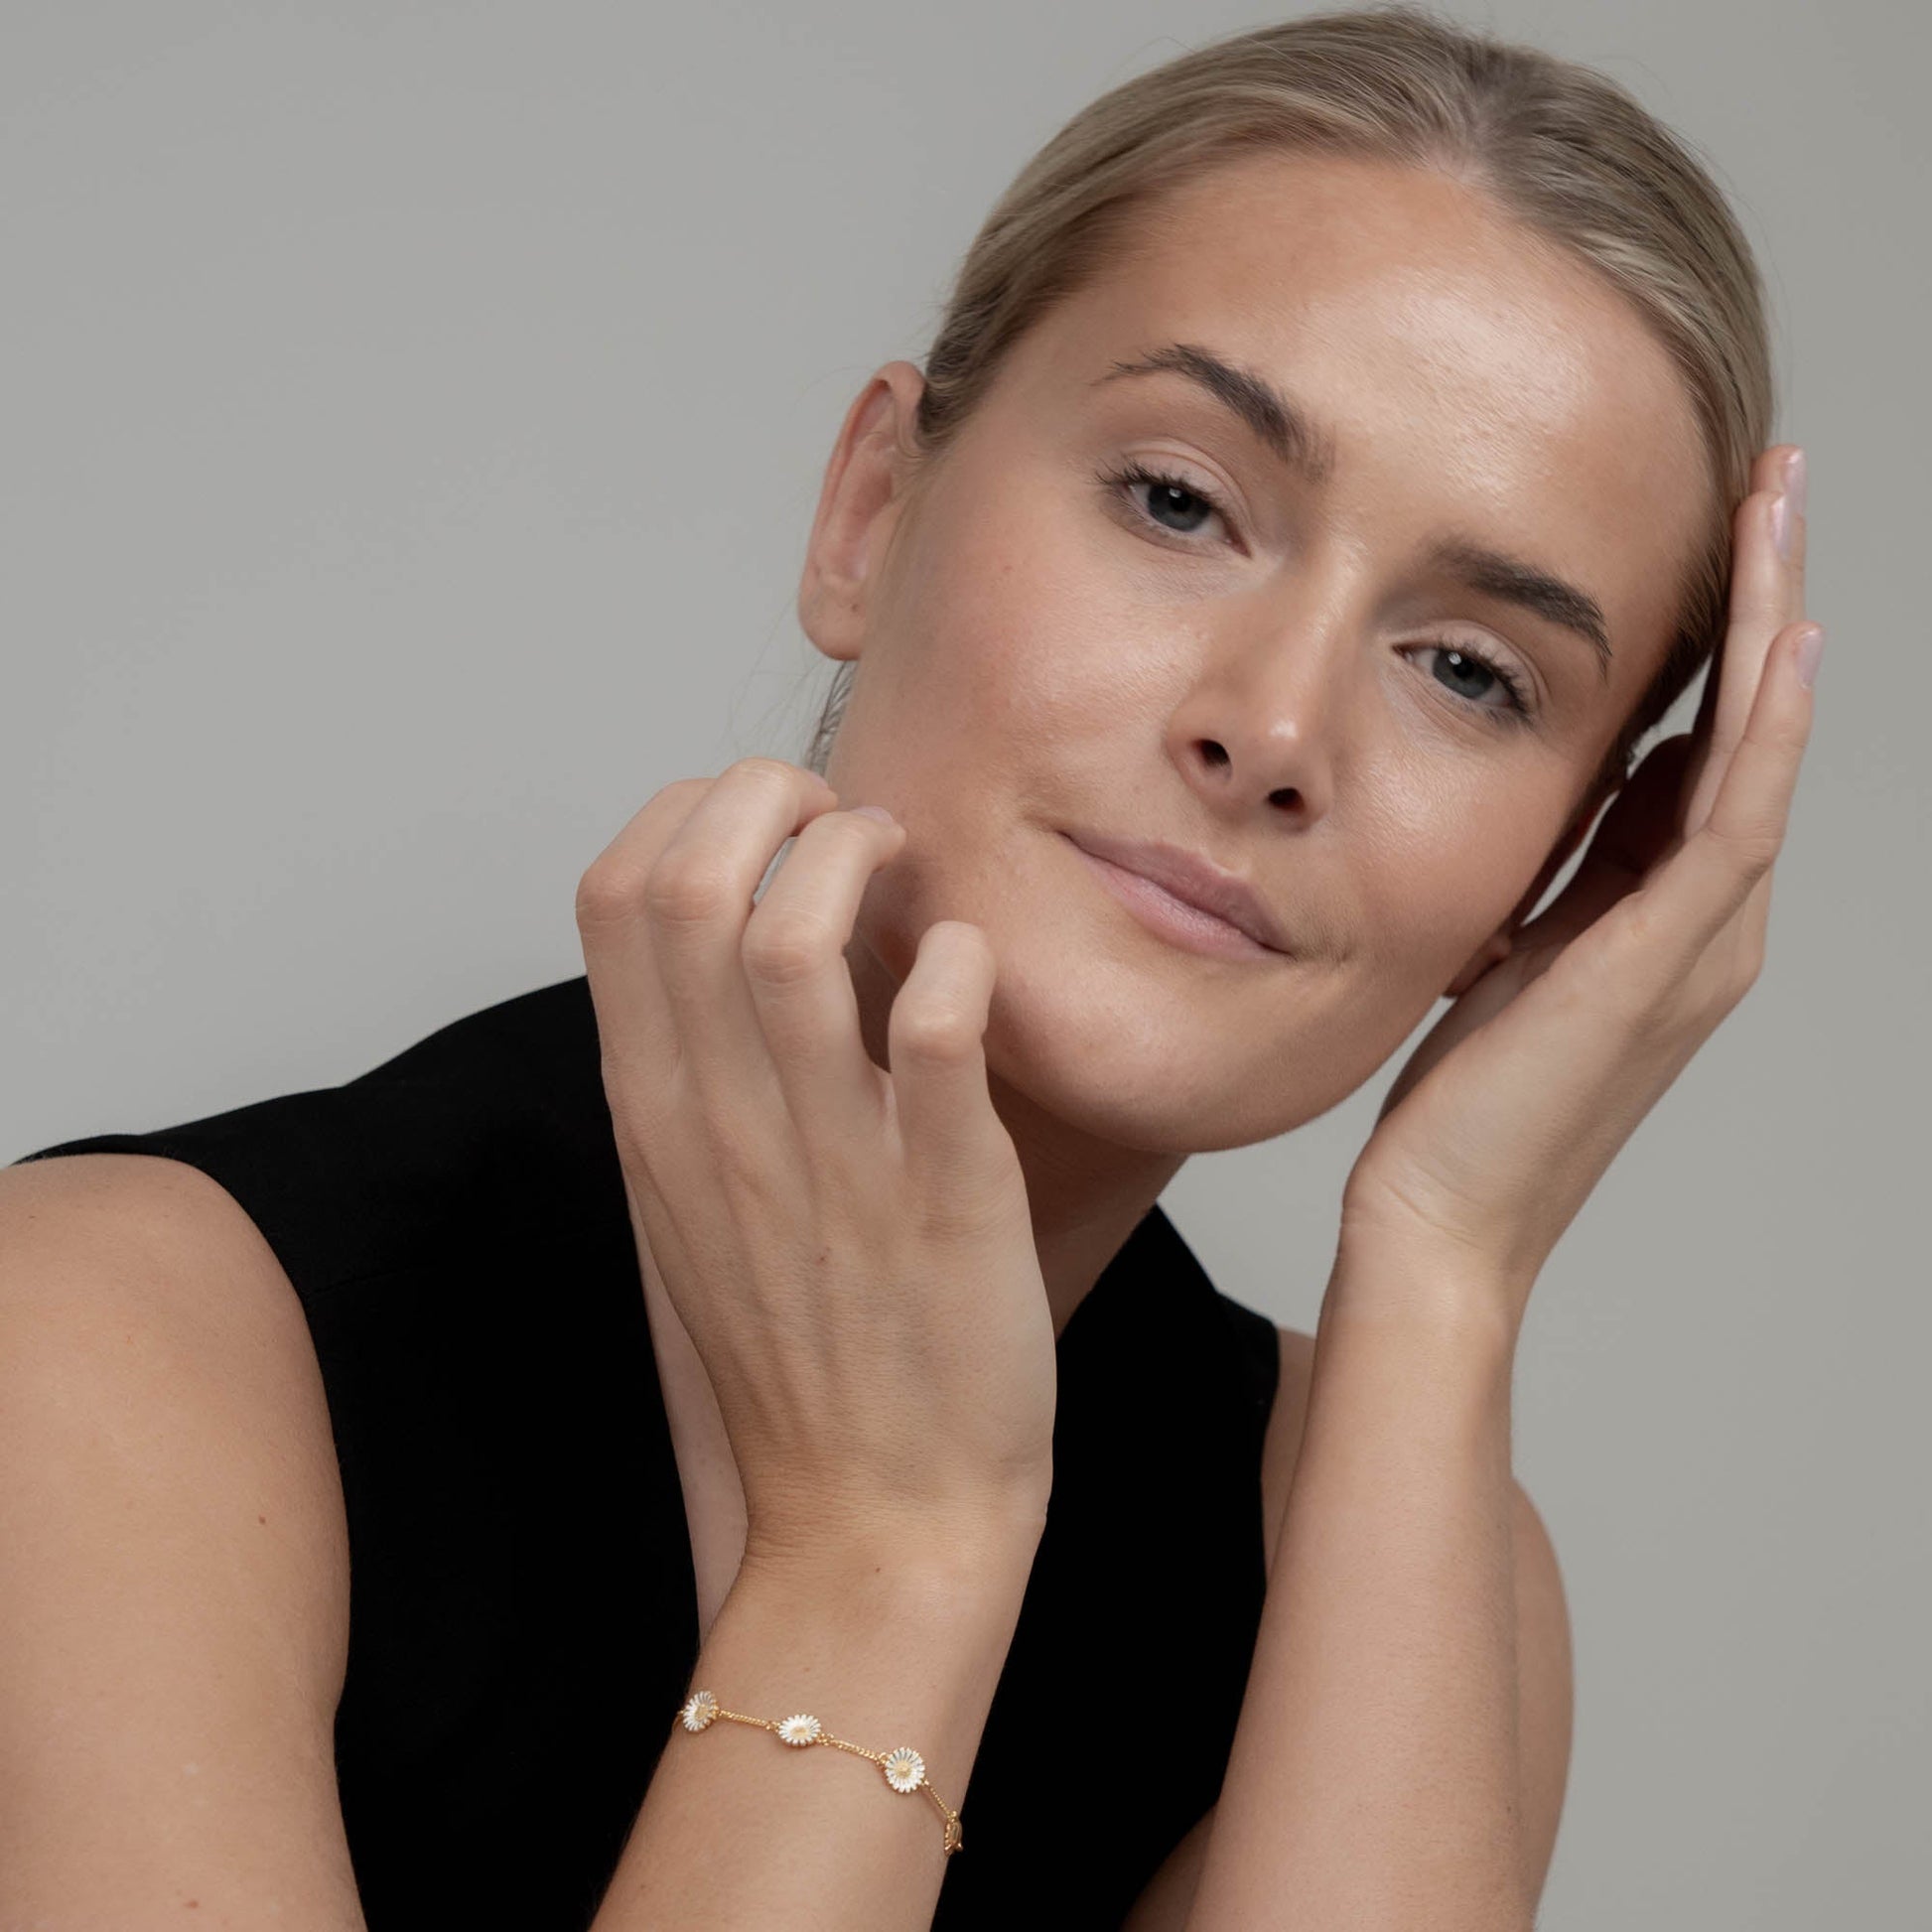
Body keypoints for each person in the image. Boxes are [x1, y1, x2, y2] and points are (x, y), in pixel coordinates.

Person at [0, 8, 1819, 1929]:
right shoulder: (101, 1353)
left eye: (1469, 671)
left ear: (1563, 871)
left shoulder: (1383, 1534)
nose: (1274, 728)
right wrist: (884, 1551)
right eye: (1178, 501)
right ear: (873, 507)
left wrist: (1447, 1263)